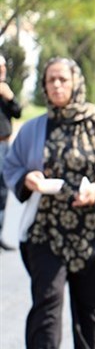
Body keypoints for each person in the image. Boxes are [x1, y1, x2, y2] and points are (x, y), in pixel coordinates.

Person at [2, 57, 95, 349]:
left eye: (62, 79)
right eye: (50, 80)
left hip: (90, 228)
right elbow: (12, 164)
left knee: (89, 303)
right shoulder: (34, 128)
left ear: (75, 82)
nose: (56, 85)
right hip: (47, 228)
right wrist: (26, 178)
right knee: (46, 297)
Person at [0, 53, 23, 251]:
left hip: (5, 146)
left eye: (3, 68)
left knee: (2, 192)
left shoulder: (6, 90)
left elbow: (18, 112)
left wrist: (10, 98)